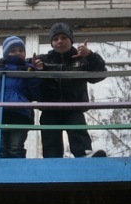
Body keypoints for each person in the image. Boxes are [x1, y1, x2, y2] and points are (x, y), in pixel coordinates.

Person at [36, 22, 107, 158]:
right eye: (55, 39)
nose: (60, 41)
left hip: (74, 107)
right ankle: (51, 163)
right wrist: (34, 67)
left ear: (71, 40)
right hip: (50, 108)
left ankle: (84, 155)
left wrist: (90, 55)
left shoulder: (82, 59)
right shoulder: (43, 60)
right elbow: (21, 66)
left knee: (78, 133)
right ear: (51, 43)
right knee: (50, 140)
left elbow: (100, 74)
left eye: (64, 37)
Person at [0, 36, 42, 158]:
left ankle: (15, 171)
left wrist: (34, 75)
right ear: (6, 53)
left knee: (16, 148)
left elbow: (35, 94)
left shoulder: (28, 69)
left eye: (21, 50)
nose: (17, 53)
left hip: (19, 112)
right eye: (13, 51)